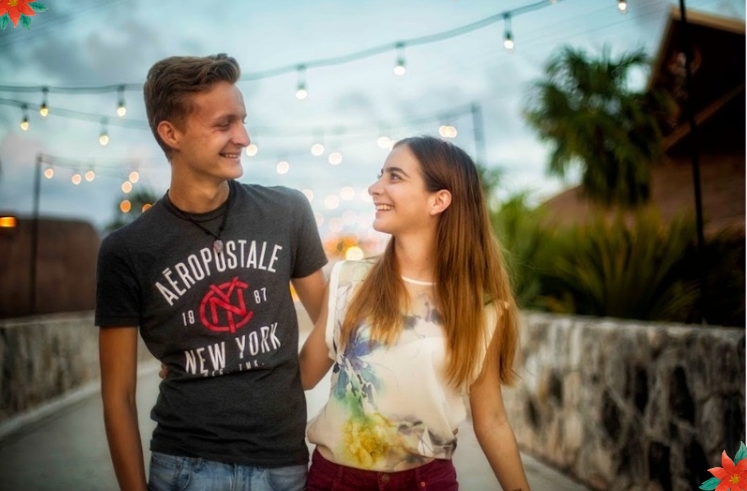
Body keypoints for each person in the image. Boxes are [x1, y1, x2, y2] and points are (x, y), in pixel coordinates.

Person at [95, 54, 327, 491]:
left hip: (284, 467)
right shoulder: (127, 251)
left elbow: (334, 319)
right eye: (224, 125)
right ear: (171, 133)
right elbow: (118, 396)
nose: (243, 137)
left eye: (242, 121)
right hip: (185, 468)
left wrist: (288, 382)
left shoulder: (287, 211)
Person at [300, 135, 531, 490]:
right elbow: (302, 375)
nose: (374, 188)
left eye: (394, 176)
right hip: (336, 480)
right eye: (381, 175)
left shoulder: (482, 309)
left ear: (439, 200)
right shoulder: (349, 280)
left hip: (428, 483)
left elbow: (493, 420)